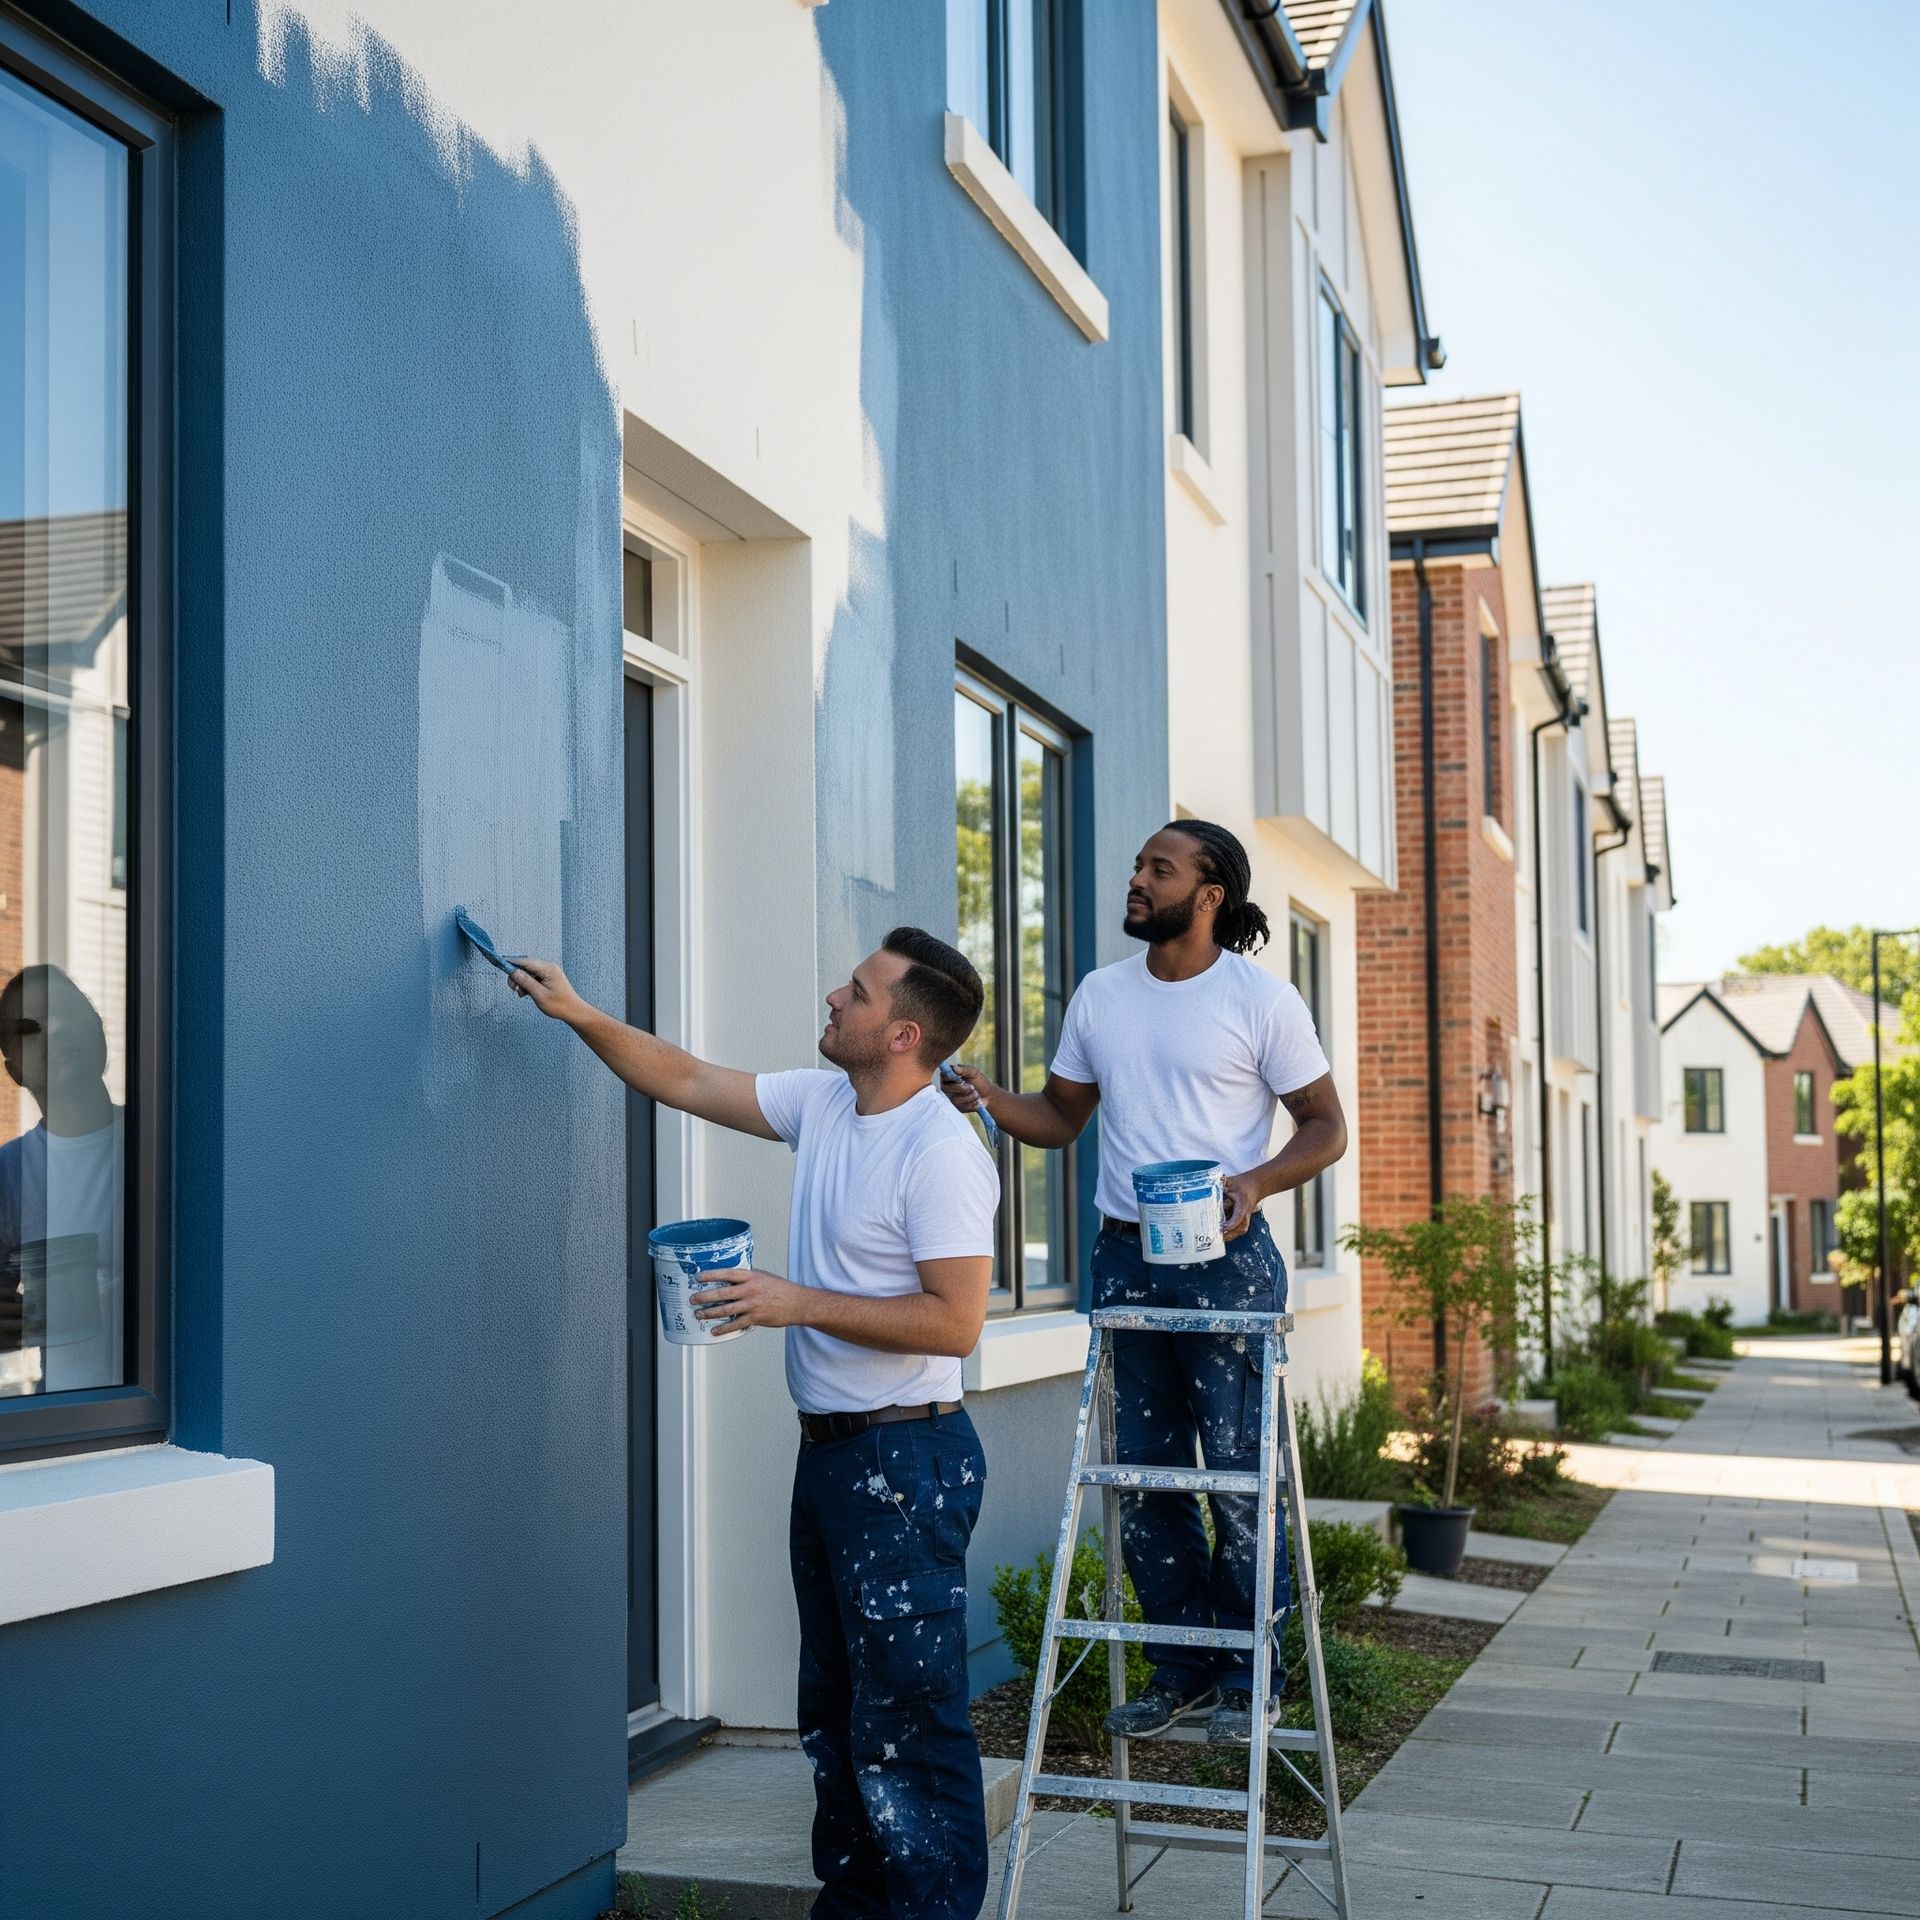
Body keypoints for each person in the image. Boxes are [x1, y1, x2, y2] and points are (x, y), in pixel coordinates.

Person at [511, 928, 999, 1920]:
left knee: (908, 1725)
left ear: (903, 1034)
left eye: (855, 993)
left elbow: (956, 1320)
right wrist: (578, 1012)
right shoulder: (825, 1103)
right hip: (835, 1459)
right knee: (833, 1713)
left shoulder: (941, 1152)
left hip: (906, 1461)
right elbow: (687, 1079)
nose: (832, 996)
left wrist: (794, 1301)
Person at [944, 821, 1346, 1749]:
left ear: (1208, 897)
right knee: (1145, 1479)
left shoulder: (1260, 999)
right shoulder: (1101, 995)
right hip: (1126, 1257)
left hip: (1227, 1257)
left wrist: (1257, 1182)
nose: (1136, 879)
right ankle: (1183, 1671)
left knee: (1240, 1482)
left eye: (1157, 869)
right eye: (1136, 864)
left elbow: (1326, 1125)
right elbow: (1057, 1117)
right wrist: (987, 1099)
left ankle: (1253, 1678)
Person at [0, 965, 125, 1396]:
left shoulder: (164, 1145)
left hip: (171, 1424)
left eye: (68, 1012)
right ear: (13, 1069)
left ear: (100, 1032)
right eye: (31, 1027)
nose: (55, 1030)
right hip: (67, 1428)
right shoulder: (8, 1175)